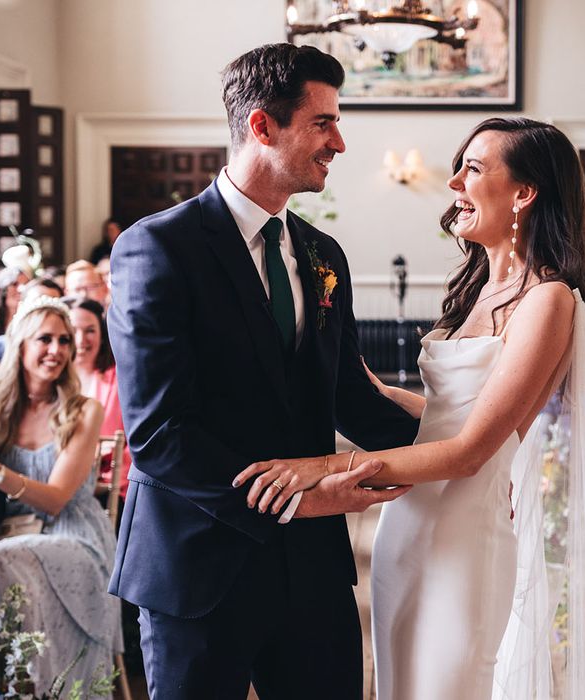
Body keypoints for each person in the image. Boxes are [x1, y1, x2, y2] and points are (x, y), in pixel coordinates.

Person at [236, 117, 585, 699]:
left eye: (473, 169)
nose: (453, 184)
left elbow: (471, 450)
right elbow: (449, 412)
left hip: (465, 535)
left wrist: (323, 466)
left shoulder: (549, 300)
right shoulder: (476, 288)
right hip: (409, 524)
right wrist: (344, 376)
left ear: (525, 192)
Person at [106, 43, 419, 700]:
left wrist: (473, 441)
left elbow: (350, 399)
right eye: (323, 122)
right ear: (261, 125)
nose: (339, 141)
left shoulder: (321, 253)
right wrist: (299, 499)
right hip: (198, 564)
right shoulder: (158, 248)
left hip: (313, 572)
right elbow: (160, 434)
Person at [0, 295, 121, 694]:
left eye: (64, 340)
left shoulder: (83, 410)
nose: (57, 350)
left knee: (2, 558)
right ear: (20, 344)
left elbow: (55, 499)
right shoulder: (1, 410)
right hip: (11, 533)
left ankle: (27, 688)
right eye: (44, 339)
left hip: (74, 537)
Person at [67, 297, 131, 503]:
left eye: (90, 331)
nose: (81, 340)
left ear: (102, 336)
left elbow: (129, 442)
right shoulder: (50, 381)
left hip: (107, 485)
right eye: (73, 330)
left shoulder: (120, 379)